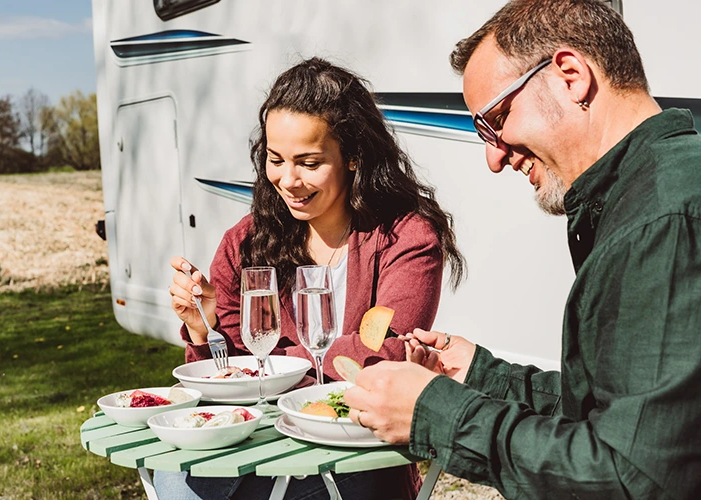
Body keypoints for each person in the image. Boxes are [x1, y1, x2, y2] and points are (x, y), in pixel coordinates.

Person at [343, 0, 701, 498]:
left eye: (495, 119)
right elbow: (628, 413)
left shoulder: (660, 220)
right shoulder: (650, 195)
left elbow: (632, 476)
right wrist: (481, 375)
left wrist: (435, 413)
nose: (493, 157)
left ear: (571, 76)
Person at [159, 57, 464, 500]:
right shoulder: (244, 242)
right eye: (276, 159)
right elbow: (227, 376)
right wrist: (202, 328)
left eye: (309, 162)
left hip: (353, 450)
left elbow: (384, 352)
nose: (288, 180)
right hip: (255, 446)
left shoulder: (405, 236)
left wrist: (271, 364)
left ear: (354, 156)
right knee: (174, 482)